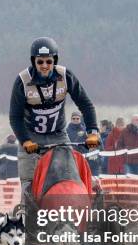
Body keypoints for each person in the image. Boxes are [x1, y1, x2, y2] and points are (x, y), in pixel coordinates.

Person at [9, 37, 98, 196]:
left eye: (48, 62)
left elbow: (85, 104)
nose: (44, 66)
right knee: (29, 188)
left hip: (59, 136)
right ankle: (26, 215)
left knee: (72, 175)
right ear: (33, 61)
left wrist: (92, 132)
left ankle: (90, 208)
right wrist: (25, 140)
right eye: (40, 62)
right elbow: (15, 117)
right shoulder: (22, 81)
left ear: (54, 60)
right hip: (31, 138)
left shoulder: (65, 76)